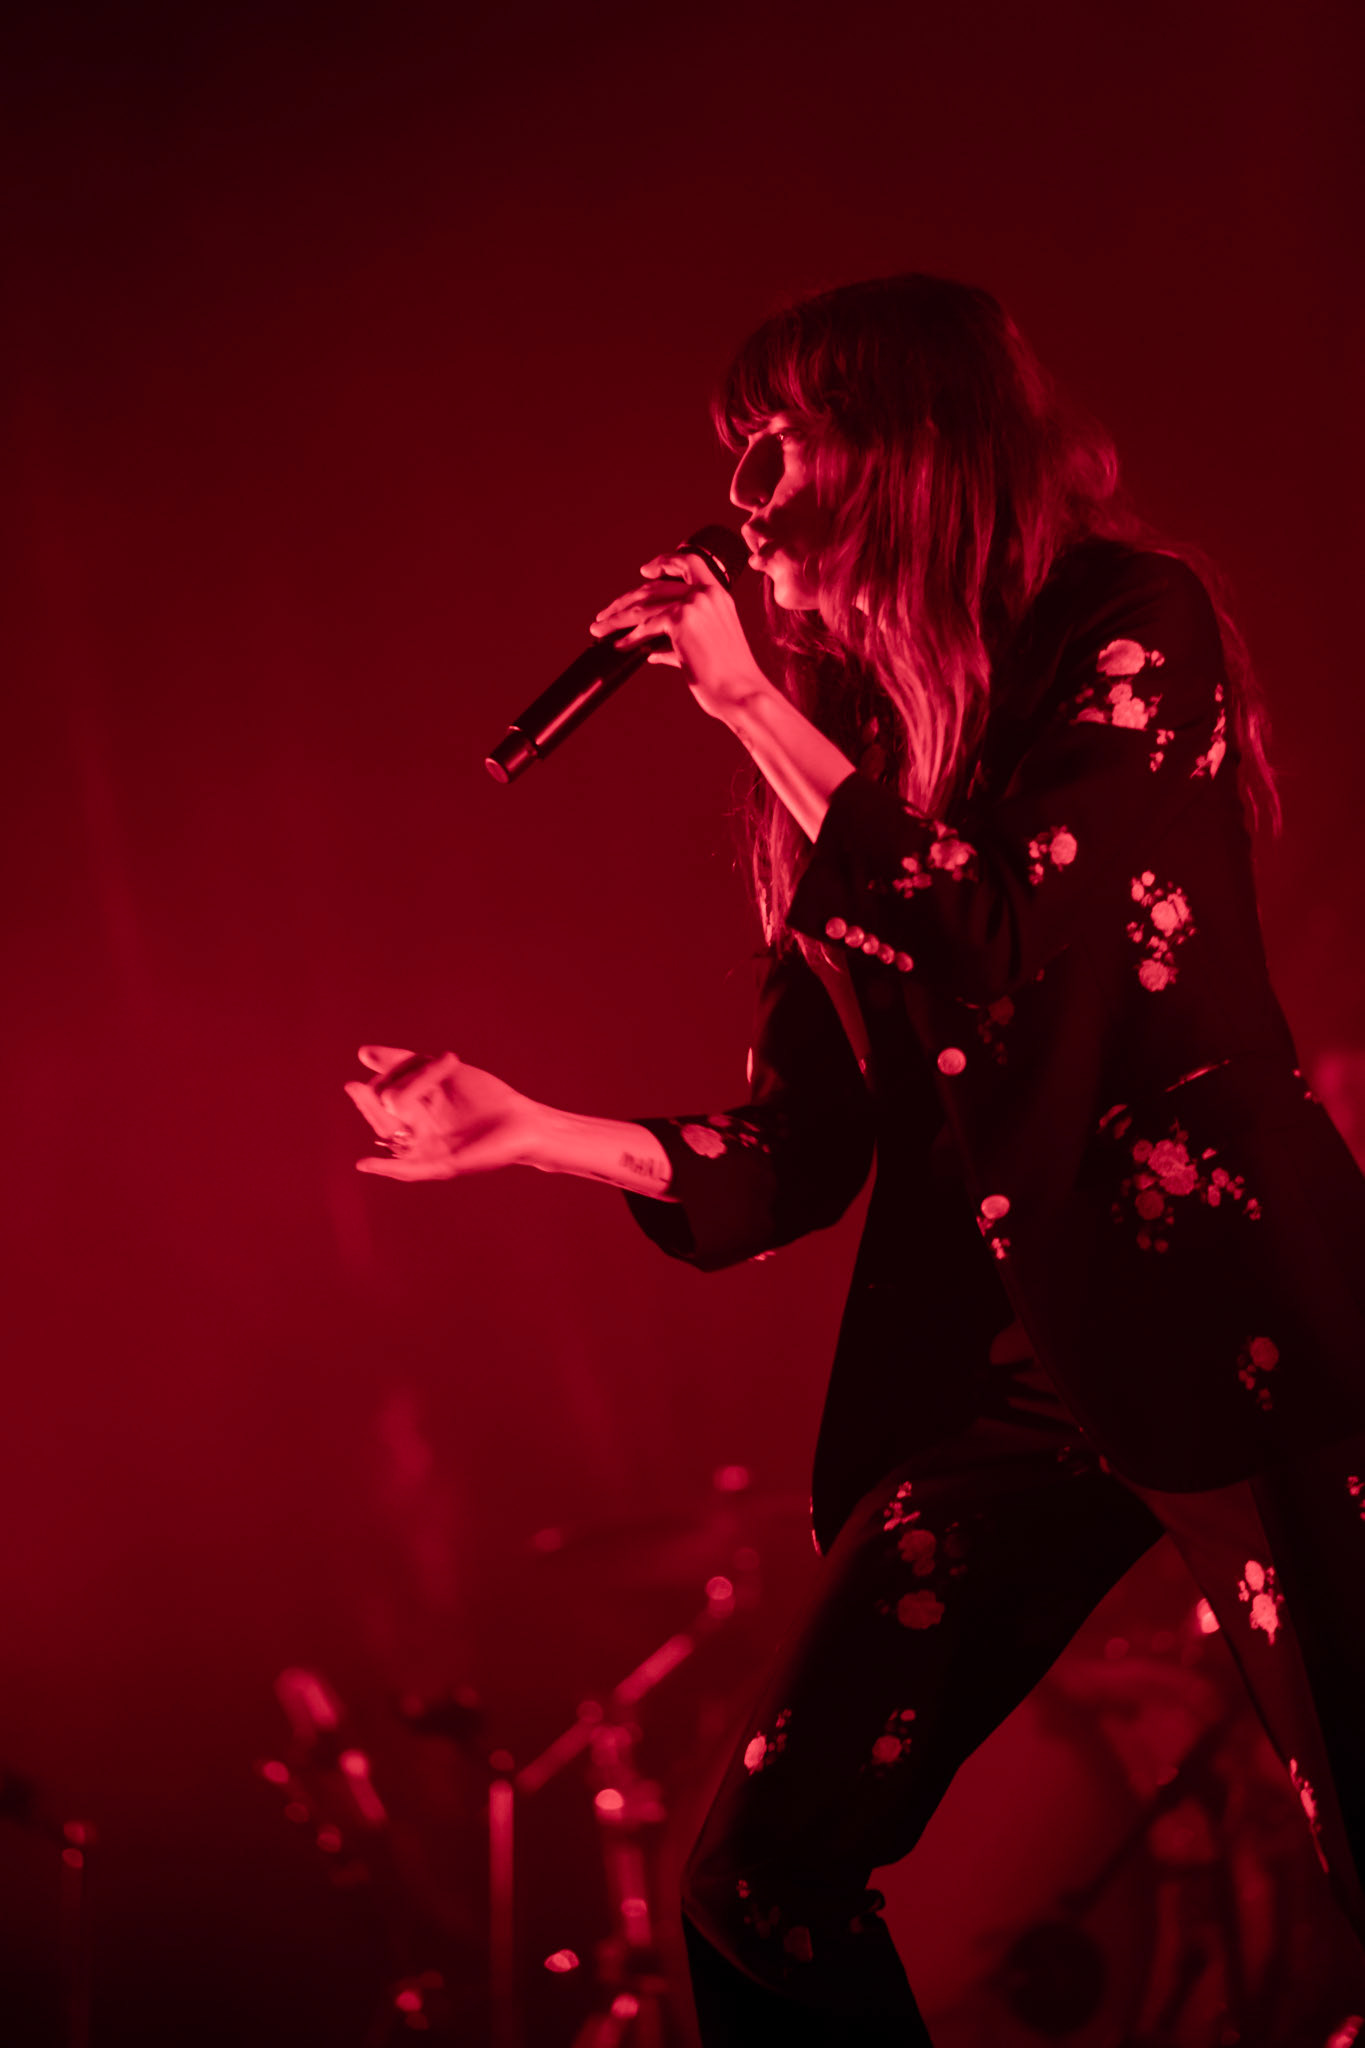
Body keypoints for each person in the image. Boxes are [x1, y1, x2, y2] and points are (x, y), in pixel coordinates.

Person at [345, 275, 1365, 2044]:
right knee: (757, 1882)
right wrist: (528, 1134)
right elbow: (786, 1160)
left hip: (1239, 1320)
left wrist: (747, 705)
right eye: (733, 462)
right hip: (1011, 1368)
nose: (741, 507)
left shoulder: (1132, 623)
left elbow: (993, 925)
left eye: (774, 452)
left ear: (907, 456)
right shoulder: (861, 761)